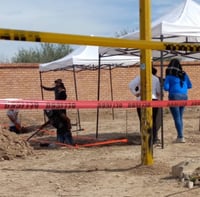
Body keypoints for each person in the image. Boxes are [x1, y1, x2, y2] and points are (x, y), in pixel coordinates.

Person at [129, 67, 161, 144]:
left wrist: (135, 93)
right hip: (153, 100)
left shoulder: (140, 77)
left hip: (141, 100)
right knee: (153, 120)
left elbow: (130, 85)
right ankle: (154, 138)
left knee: (142, 120)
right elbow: (158, 91)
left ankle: (144, 139)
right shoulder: (155, 79)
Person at [164, 58, 192, 143]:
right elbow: (190, 86)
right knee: (180, 117)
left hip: (174, 97)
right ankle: (180, 135)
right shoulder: (184, 74)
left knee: (177, 117)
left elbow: (166, 88)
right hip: (184, 96)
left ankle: (180, 136)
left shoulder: (169, 76)